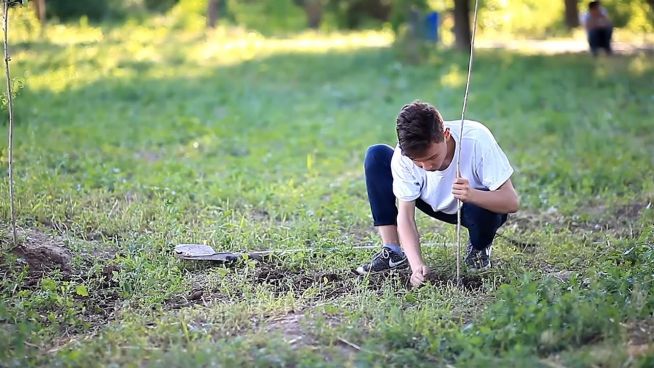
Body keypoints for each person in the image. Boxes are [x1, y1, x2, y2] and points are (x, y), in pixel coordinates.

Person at [356, 101, 519, 287]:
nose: (427, 167)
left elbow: (511, 202)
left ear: (446, 135)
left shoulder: (476, 139)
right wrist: (417, 265)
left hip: (473, 207)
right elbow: (406, 217)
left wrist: (472, 195)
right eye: (419, 163)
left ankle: (479, 248)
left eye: (432, 157)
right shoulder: (403, 156)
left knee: (481, 210)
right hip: (430, 199)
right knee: (376, 155)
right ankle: (393, 253)